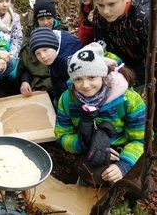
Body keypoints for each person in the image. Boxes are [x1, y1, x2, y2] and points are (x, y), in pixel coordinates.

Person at [55, 42, 145, 186]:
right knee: (96, 175)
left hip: (122, 148)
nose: (85, 85)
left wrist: (123, 165)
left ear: (103, 77)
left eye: (91, 77)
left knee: (135, 186)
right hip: (88, 149)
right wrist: (85, 144)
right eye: (78, 79)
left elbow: (141, 139)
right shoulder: (67, 100)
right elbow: (61, 135)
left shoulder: (129, 99)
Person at [92, 0, 149, 87]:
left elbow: (152, 61)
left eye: (111, 4)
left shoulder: (145, 17)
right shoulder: (100, 13)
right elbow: (101, 46)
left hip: (144, 70)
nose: (105, 11)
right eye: (101, 5)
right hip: (118, 64)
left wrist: (128, 79)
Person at [17, 0, 64, 97]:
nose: (46, 23)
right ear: (36, 20)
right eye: (41, 19)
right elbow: (26, 65)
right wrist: (25, 81)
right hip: (38, 82)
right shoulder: (30, 37)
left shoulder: (64, 33)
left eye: (49, 18)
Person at [29, 27, 82, 106]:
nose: (43, 56)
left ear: (54, 45)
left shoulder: (68, 62)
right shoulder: (53, 57)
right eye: (38, 53)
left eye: (45, 49)